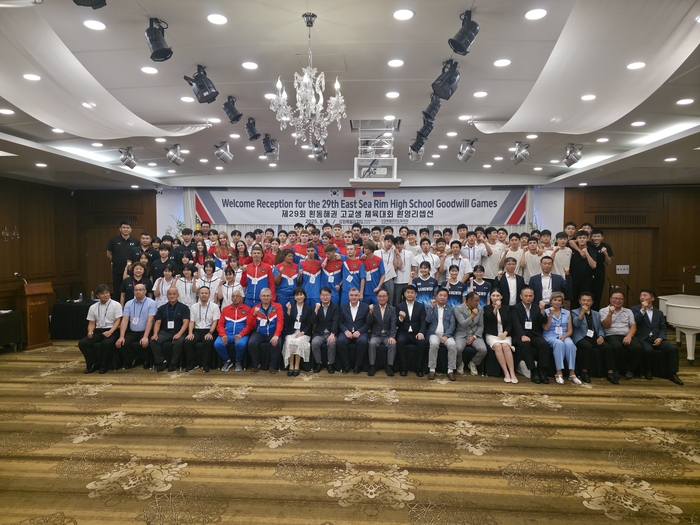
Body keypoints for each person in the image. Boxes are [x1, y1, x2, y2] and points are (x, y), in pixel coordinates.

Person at [631, 289, 683, 384]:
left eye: (645, 295)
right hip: (643, 338)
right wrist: (643, 309)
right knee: (648, 350)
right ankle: (648, 371)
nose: (642, 297)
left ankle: (673, 373)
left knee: (673, 349)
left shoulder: (659, 312)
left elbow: (663, 327)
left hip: (657, 338)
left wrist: (661, 337)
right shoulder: (634, 309)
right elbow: (634, 321)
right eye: (641, 295)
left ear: (652, 298)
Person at [572, 292, 617, 384]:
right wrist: (582, 312)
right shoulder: (574, 312)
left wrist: (601, 336)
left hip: (593, 336)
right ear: (579, 301)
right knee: (587, 347)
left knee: (608, 347)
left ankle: (610, 373)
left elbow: (600, 327)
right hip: (580, 337)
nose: (586, 302)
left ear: (592, 302)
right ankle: (584, 372)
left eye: (588, 301)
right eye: (583, 300)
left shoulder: (596, 313)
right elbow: (576, 324)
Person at [78, 284, 123, 374]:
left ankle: (104, 366)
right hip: (98, 330)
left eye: (107, 293)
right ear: (97, 296)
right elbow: (91, 323)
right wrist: (90, 331)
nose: (105, 295)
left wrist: (110, 332)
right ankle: (92, 364)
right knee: (82, 343)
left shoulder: (116, 305)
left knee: (106, 343)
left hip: (112, 330)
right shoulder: (93, 307)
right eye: (102, 294)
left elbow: (118, 321)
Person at [600, 290, 643, 380]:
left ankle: (630, 370)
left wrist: (629, 336)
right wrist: (610, 314)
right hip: (611, 335)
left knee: (637, 347)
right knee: (617, 347)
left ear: (623, 300)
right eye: (615, 298)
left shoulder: (628, 311)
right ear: (610, 299)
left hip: (626, 334)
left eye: (620, 299)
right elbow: (606, 325)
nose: (617, 301)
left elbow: (633, 326)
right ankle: (615, 370)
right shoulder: (603, 310)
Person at [511, 287, 550, 384]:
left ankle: (542, 371)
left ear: (533, 297)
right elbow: (516, 324)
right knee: (525, 345)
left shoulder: (537, 307)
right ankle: (533, 371)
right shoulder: (515, 308)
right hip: (521, 334)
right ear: (521, 296)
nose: (528, 298)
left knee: (544, 345)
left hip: (534, 334)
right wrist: (522, 335)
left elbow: (543, 321)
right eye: (526, 296)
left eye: (530, 296)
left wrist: (542, 310)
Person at [239, 288, 284, 373]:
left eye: (268, 296)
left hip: (272, 332)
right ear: (260, 297)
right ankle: (256, 364)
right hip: (259, 332)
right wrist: (254, 315)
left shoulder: (278, 306)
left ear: (271, 296)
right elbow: (251, 326)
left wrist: (276, 335)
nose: (266, 298)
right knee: (251, 343)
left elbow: (280, 322)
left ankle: (273, 366)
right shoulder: (255, 308)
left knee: (277, 343)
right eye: (264, 296)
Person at [115, 283, 158, 369]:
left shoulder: (151, 303)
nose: (138, 292)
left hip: (145, 330)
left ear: (145, 291)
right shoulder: (129, 303)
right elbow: (125, 320)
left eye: (140, 290)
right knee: (121, 343)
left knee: (145, 343)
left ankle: (146, 361)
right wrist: (121, 336)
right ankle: (133, 359)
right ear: (133, 292)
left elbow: (150, 321)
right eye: (136, 290)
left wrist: (145, 336)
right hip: (132, 331)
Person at [542, 291, 580, 384]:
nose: (557, 302)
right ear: (551, 301)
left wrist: (564, 336)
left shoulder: (567, 313)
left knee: (570, 344)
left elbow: (570, 330)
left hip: (563, 335)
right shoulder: (545, 312)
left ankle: (572, 373)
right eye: (555, 300)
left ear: (562, 302)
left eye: (559, 300)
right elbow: (545, 328)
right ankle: (559, 372)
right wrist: (550, 315)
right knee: (559, 343)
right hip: (550, 335)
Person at [149, 287, 190, 372]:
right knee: (153, 341)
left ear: (178, 295)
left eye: (174, 294)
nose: (172, 296)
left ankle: (173, 363)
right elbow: (158, 323)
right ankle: (162, 362)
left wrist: (179, 334)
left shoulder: (184, 308)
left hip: (179, 331)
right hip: (165, 332)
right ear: (167, 296)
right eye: (170, 294)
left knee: (178, 342)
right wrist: (155, 334)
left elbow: (186, 323)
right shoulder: (162, 308)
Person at [183, 286, 220, 372]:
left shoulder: (214, 306)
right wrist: (190, 333)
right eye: (202, 293)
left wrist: (210, 332)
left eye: (206, 293)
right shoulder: (194, 306)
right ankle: (193, 363)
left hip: (209, 330)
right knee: (187, 341)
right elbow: (191, 321)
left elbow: (215, 321)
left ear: (209, 295)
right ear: (198, 295)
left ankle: (206, 364)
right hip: (197, 330)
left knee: (208, 341)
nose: (204, 295)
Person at [484, 289, 517, 383]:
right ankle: (506, 372)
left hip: (504, 335)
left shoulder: (507, 308)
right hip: (492, 335)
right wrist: (495, 308)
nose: (495, 298)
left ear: (501, 297)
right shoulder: (487, 308)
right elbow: (490, 319)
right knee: (498, 346)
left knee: (506, 346)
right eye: (493, 296)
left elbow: (510, 324)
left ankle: (512, 373)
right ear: (490, 297)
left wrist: (505, 333)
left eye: (497, 295)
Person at [396, 284, 427, 377]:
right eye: (408, 292)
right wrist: (401, 318)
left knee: (422, 342)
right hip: (403, 333)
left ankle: (419, 368)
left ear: (415, 294)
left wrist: (421, 332)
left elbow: (423, 321)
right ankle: (403, 367)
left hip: (416, 333)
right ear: (404, 294)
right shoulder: (399, 306)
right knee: (400, 341)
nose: (410, 294)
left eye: (412, 293)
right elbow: (396, 323)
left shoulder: (420, 306)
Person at [425, 288, 457, 381]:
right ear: (436, 296)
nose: (442, 297)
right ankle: (432, 369)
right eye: (440, 295)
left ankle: (450, 370)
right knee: (434, 344)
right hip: (433, 334)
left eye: (445, 296)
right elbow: (428, 320)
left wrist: (446, 336)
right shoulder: (430, 307)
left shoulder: (451, 309)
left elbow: (452, 324)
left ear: (447, 298)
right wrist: (431, 308)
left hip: (447, 334)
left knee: (452, 344)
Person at [338, 288, 371, 374]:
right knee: (340, 341)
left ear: (359, 296)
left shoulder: (365, 307)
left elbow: (368, 323)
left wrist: (359, 331)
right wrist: (345, 331)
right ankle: (347, 364)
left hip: (360, 332)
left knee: (363, 341)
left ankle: (357, 365)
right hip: (346, 332)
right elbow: (340, 322)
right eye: (352, 295)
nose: (354, 297)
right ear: (348, 296)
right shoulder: (343, 307)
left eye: (356, 295)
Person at [214, 289, 249, 372]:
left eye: (237, 296)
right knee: (217, 344)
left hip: (241, 334)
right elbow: (220, 325)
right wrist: (223, 335)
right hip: (227, 334)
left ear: (241, 298)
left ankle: (238, 361)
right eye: (233, 296)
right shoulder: (225, 309)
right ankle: (227, 360)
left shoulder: (247, 309)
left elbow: (249, 326)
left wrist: (241, 334)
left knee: (241, 344)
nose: (235, 298)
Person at [454, 291, 487, 376]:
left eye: (478, 300)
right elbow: (463, 324)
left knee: (483, 349)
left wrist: (474, 337)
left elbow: (481, 326)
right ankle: (460, 363)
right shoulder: (458, 309)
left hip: (474, 334)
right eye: (476, 301)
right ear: (469, 300)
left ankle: (473, 363)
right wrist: (472, 316)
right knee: (457, 348)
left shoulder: (480, 309)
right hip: (462, 334)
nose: (478, 303)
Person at [283, 287, 314, 376]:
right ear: (294, 297)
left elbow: (309, 323)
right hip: (292, 332)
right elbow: (288, 322)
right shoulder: (291, 307)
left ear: (304, 296)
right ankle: (291, 366)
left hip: (303, 332)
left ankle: (297, 366)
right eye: (297, 295)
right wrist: (288, 310)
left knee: (299, 341)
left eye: (301, 295)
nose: (299, 297)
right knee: (289, 341)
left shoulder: (308, 308)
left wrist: (303, 332)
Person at [367, 290, 398, 376]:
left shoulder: (392, 309)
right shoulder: (373, 308)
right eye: (380, 296)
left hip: (387, 335)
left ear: (387, 297)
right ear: (377, 297)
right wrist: (370, 313)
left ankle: (389, 366)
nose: (382, 298)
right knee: (372, 343)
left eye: (384, 296)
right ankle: (372, 366)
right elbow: (368, 322)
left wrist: (392, 336)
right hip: (376, 335)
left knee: (392, 344)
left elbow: (393, 324)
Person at [310, 287, 340, 373]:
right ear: (320, 296)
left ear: (330, 296)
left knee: (332, 343)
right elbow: (312, 321)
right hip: (319, 333)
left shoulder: (335, 307)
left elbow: (335, 321)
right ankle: (318, 363)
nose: (325, 297)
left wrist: (333, 333)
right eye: (323, 295)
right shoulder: (317, 306)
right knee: (314, 343)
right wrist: (316, 310)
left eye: (327, 295)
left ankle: (330, 364)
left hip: (331, 332)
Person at [107, 220, 138, 298]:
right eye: (123, 227)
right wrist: (116, 260)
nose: (126, 229)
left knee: (130, 290)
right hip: (117, 270)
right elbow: (109, 254)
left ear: (131, 229)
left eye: (128, 227)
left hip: (131, 271)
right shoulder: (114, 240)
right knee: (117, 290)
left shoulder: (135, 241)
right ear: (120, 229)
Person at [569, 230, 597, 310]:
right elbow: (570, 241)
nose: (582, 239)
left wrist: (586, 253)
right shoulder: (572, 249)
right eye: (580, 238)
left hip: (586, 281)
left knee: (585, 301)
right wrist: (580, 251)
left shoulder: (591, 249)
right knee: (573, 302)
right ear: (577, 239)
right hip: (573, 280)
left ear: (587, 239)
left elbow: (593, 265)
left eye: (584, 238)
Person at [590, 228, 613, 311]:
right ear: (591, 237)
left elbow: (608, 262)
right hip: (588, 273)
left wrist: (605, 253)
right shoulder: (588, 245)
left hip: (600, 273)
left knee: (597, 296)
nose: (596, 238)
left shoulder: (606, 246)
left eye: (598, 236)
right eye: (594, 236)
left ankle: (595, 314)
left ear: (602, 237)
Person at [393, 237, 417, 305]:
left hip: (408, 281)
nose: (399, 245)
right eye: (397, 244)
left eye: (400, 244)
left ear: (403, 244)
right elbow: (395, 267)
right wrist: (396, 255)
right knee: (397, 301)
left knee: (408, 301)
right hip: (397, 281)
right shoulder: (392, 254)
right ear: (394, 244)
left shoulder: (409, 253)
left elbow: (413, 266)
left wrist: (413, 279)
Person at [299, 243, 323, 307]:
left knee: (316, 311)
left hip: (316, 294)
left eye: (312, 251)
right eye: (308, 251)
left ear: (315, 251)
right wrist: (300, 275)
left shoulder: (319, 263)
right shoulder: (301, 263)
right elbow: (298, 281)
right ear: (306, 252)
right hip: (305, 292)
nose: (310, 253)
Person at [362, 240, 386, 305]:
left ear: (371, 249)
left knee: (377, 309)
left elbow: (383, 275)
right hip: (365, 291)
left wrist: (378, 287)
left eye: (366, 248)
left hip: (376, 291)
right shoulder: (362, 260)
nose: (364, 250)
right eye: (364, 248)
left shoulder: (379, 260)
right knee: (365, 309)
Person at [379, 235, 397, 305]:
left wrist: (395, 255)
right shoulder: (376, 252)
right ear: (384, 241)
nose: (389, 243)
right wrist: (380, 240)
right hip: (379, 278)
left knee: (390, 298)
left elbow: (395, 266)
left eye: (391, 242)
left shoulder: (392, 252)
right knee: (379, 297)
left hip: (389, 278)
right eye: (388, 241)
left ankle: (390, 311)